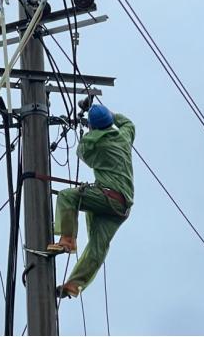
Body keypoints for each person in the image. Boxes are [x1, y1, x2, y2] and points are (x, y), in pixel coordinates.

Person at [47, 104, 135, 298]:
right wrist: (109, 113)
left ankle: (68, 239)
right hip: (122, 207)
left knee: (67, 196)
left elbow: (82, 152)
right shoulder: (124, 137)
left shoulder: (98, 143)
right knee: (98, 246)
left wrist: (89, 132)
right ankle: (74, 285)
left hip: (107, 198)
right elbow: (128, 123)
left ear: (93, 127)